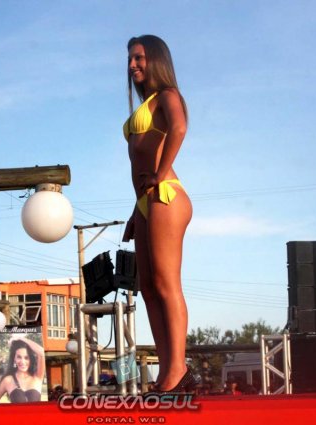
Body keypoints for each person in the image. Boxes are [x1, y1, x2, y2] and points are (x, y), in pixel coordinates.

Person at [121, 34, 194, 393]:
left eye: (139, 58)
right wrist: (136, 212)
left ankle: (179, 368)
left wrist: (161, 173)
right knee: (148, 288)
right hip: (146, 203)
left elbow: (179, 128)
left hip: (165, 194)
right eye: (130, 59)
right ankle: (167, 370)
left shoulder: (168, 94)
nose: (132, 64)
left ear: (156, 60)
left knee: (166, 284)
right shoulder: (149, 101)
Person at [0, 338, 45, 403]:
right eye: (19, 357)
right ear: (14, 359)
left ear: (30, 359)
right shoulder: (8, 380)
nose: (22, 362)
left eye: (26, 358)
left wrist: (21, 338)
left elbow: (41, 352)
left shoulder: (37, 376)